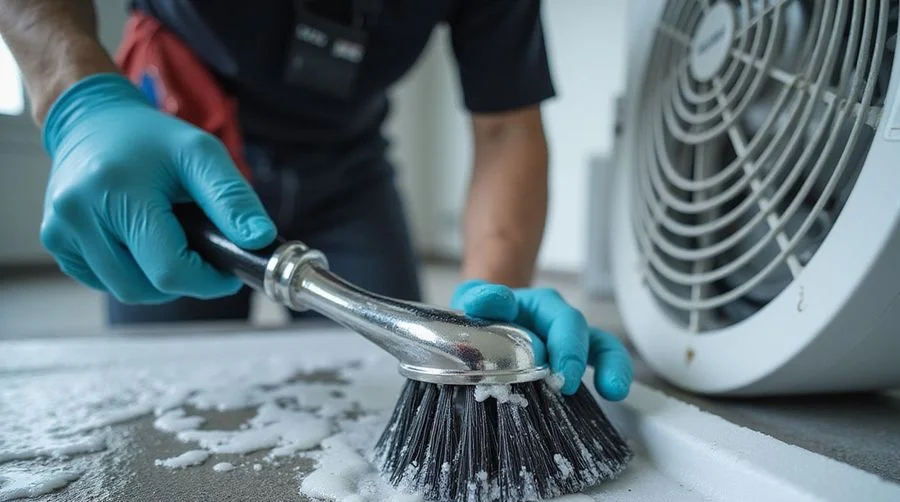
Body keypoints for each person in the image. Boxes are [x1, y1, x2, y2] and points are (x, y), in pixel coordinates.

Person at [0, 0, 632, 402]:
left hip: (349, 167)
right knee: (157, 395)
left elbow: (505, 130)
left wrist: (482, 319)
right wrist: (76, 96)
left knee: (389, 385)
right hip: (175, 154)